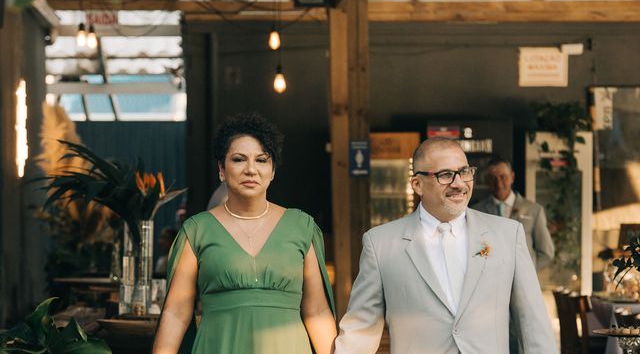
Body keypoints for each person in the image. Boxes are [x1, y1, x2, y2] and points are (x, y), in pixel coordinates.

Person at [334, 137, 555, 354]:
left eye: (464, 172)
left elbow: (532, 323)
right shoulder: (380, 243)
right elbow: (361, 328)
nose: (458, 183)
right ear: (417, 185)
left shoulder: (508, 234)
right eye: (446, 175)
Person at [153, 113, 336, 354]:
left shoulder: (301, 226)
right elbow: (176, 312)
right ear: (221, 169)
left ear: (272, 171)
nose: (251, 169)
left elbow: (317, 311)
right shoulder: (197, 229)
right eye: (239, 159)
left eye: (262, 160)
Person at [473, 156, 555, 270]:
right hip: (490, 283)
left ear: (512, 177)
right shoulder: (476, 211)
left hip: (522, 285)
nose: (499, 183)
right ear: (487, 180)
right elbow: (473, 251)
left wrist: (526, 273)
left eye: (503, 177)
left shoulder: (534, 210)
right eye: (493, 178)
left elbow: (547, 252)